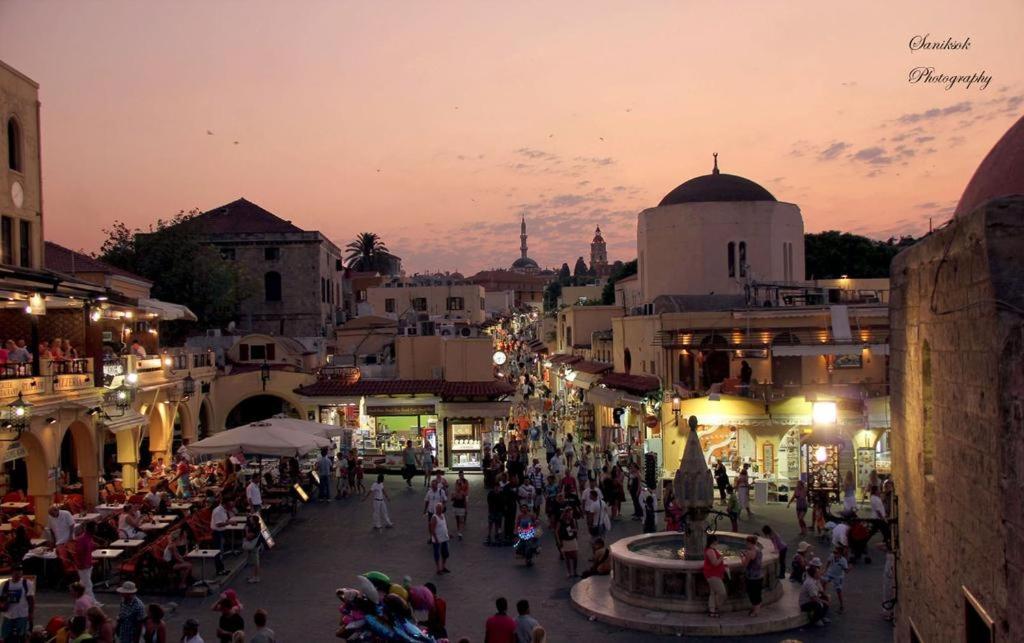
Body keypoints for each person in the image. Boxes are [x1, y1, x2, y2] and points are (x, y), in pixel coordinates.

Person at [1, 564, 35, 641]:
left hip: (22, 616)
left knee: (21, 637)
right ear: (12, 572)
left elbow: (31, 600)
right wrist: (5, 604)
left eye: (20, 572)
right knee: (5, 637)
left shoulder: (27, 583)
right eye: (16, 572)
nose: (18, 574)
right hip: (8, 616)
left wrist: (31, 614)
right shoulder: (5, 584)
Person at [799, 561, 830, 626]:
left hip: (812, 599)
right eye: (818, 573)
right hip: (805, 603)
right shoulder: (810, 583)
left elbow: (821, 590)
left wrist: (825, 596)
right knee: (818, 604)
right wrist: (824, 601)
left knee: (825, 599)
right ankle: (815, 620)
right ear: (814, 574)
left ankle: (822, 616)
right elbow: (813, 598)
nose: (820, 574)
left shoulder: (816, 580)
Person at [703, 534, 727, 617]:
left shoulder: (712, 549)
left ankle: (712, 611)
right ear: (713, 541)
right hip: (712, 575)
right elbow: (714, 563)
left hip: (714, 574)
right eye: (716, 540)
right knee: (722, 592)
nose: (718, 541)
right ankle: (717, 606)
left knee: (713, 593)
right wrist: (721, 558)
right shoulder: (710, 551)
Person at [741, 534, 764, 617]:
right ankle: (756, 608)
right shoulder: (758, 550)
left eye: (746, 543)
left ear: (750, 543)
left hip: (752, 577)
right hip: (759, 575)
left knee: (752, 594)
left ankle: (756, 611)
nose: (746, 544)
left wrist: (742, 556)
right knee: (757, 593)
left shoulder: (750, 553)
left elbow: (744, 564)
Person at [823, 545, 850, 613]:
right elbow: (828, 562)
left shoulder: (843, 561)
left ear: (840, 553)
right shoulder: (832, 556)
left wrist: (849, 568)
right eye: (834, 552)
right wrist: (825, 569)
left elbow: (846, 571)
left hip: (838, 576)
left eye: (836, 552)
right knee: (823, 582)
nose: (834, 553)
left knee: (838, 590)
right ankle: (823, 595)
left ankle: (841, 605)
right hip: (830, 573)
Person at [210, 498, 233, 575]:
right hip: (217, 533)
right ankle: (219, 570)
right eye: (229, 504)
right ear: (225, 504)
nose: (231, 506)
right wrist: (229, 523)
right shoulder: (217, 511)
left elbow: (224, 521)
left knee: (221, 551)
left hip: (222, 532)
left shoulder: (223, 510)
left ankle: (222, 568)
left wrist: (230, 522)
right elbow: (218, 524)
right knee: (218, 552)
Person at [74, 522, 96, 600]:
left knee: (83, 582)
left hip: (88, 563)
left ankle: (80, 598)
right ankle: (92, 601)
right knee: (88, 584)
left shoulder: (89, 538)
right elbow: (79, 553)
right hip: (83, 565)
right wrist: (81, 563)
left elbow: (91, 547)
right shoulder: (82, 539)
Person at [429, 502, 451, 575]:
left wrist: (447, 533)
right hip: (437, 539)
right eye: (439, 508)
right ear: (436, 509)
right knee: (437, 554)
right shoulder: (434, 517)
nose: (440, 510)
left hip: (444, 538)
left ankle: (443, 566)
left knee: (445, 553)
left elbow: (445, 526)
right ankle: (438, 569)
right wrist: (436, 538)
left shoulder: (443, 515)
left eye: (441, 508)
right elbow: (432, 529)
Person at [557, 507, 579, 577]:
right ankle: (569, 572)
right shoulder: (561, 521)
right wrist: (558, 541)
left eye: (571, 513)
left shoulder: (572, 520)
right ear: (566, 513)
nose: (570, 515)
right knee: (567, 557)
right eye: (569, 513)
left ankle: (575, 571)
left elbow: (576, 529)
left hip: (572, 539)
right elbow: (557, 531)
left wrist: (573, 530)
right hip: (565, 540)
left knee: (575, 556)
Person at [242, 515, 262, 584]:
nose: (249, 520)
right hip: (255, 545)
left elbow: (248, 536)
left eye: (251, 519)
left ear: (254, 521)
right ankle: (253, 576)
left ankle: (256, 577)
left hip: (254, 547)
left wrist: (246, 530)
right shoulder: (255, 526)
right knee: (253, 562)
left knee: (255, 562)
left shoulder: (255, 529)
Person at [451, 471, 469, 540]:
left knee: (464, 512)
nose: (461, 475)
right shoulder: (457, 481)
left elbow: (467, 488)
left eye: (462, 474)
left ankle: (464, 519)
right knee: (457, 518)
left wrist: (464, 493)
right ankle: (460, 524)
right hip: (458, 497)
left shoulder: (465, 481)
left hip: (464, 495)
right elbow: (455, 488)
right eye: (460, 474)